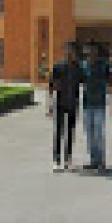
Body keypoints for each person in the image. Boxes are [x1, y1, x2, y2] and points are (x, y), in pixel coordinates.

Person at [48, 43, 83, 172]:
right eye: (67, 50)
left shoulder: (77, 67)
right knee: (58, 132)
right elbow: (51, 86)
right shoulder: (57, 67)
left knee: (70, 132)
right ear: (64, 51)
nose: (69, 53)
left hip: (73, 104)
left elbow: (83, 82)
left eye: (72, 51)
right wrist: (50, 105)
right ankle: (56, 161)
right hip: (60, 103)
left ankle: (68, 159)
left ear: (74, 53)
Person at [81, 41, 111, 171]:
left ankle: (101, 161)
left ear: (97, 52)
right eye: (88, 50)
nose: (91, 53)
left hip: (99, 104)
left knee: (98, 133)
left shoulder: (104, 65)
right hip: (87, 104)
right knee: (89, 132)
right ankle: (93, 160)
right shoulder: (83, 65)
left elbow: (111, 80)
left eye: (93, 50)